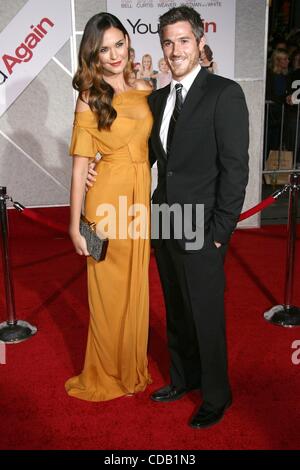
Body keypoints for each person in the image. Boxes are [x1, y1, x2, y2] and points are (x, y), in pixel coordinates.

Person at [87, 5, 249, 428]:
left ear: (199, 41)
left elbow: (236, 169)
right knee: (176, 309)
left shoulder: (224, 93)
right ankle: (183, 377)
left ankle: (217, 395)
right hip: (164, 221)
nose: (175, 49)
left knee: (207, 315)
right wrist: (94, 165)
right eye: (168, 42)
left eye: (183, 40)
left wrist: (220, 232)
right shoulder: (156, 98)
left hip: (204, 227)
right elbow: (136, 152)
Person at [65, 12, 153, 402]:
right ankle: (104, 372)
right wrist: (73, 225)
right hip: (106, 203)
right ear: (94, 55)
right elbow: (80, 166)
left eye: (119, 44)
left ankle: (131, 365)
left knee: (136, 285)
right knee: (107, 291)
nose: (115, 54)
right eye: (105, 49)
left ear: (128, 44)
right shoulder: (90, 96)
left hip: (140, 201)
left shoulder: (145, 87)